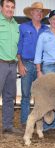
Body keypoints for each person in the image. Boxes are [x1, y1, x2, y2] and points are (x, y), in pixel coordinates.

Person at [17, 2, 50, 128]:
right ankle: (25, 122)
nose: (39, 13)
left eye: (41, 12)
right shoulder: (23, 27)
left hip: (41, 66)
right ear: (31, 13)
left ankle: (38, 123)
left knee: (41, 95)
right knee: (25, 95)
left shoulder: (46, 30)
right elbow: (19, 46)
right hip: (26, 64)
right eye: (36, 11)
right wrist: (20, 64)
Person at [0, 0, 22, 134]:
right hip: (0, 63)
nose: (10, 9)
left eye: (12, 7)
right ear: (1, 7)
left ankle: (7, 126)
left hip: (12, 65)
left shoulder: (15, 25)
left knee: (9, 97)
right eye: (7, 6)